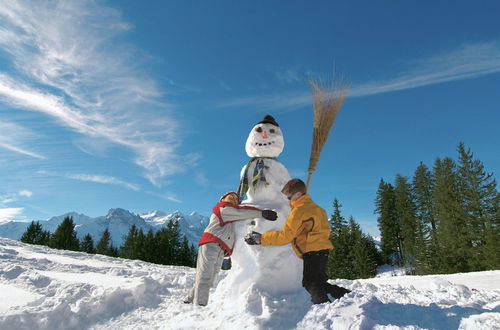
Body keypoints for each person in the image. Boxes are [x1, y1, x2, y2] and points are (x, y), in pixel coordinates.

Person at [244, 179, 351, 304]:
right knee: (319, 282)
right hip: (323, 250)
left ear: (298, 194)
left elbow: (285, 236)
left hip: (312, 251)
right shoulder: (319, 209)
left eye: (289, 197)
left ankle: (322, 305)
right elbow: (324, 230)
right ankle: (348, 295)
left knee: (310, 283)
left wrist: (261, 238)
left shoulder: (298, 212)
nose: (288, 201)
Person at [185, 191, 278, 306]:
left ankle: (189, 299)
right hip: (210, 244)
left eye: (236, 199)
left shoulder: (230, 214)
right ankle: (200, 306)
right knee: (205, 275)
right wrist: (262, 213)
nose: (234, 199)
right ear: (223, 199)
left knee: (210, 277)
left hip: (220, 248)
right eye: (231, 196)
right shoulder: (223, 208)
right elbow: (241, 211)